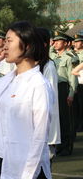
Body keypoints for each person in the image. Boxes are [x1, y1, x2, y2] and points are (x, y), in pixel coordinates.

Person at [0, 21, 52, 179]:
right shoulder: (10, 79)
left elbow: (40, 137)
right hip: (5, 159)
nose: (4, 46)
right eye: (5, 41)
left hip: (27, 167)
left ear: (27, 45)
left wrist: (28, 174)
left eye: (9, 40)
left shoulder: (38, 84)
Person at [50, 31, 77, 156]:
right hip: (53, 89)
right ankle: (59, 146)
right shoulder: (53, 57)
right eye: (54, 41)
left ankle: (67, 147)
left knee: (65, 119)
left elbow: (73, 77)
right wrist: (51, 45)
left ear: (65, 43)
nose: (55, 43)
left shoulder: (69, 57)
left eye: (58, 41)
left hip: (63, 89)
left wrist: (71, 94)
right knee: (57, 119)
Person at [36, 27, 61, 165]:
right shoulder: (34, 64)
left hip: (44, 125)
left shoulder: (48, 66)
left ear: (44, 44)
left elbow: (50, 98)